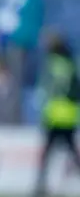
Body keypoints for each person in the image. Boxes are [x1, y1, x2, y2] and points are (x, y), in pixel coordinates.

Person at [34, 33, 80, 196]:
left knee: (48, 153)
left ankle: (40, 185)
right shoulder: (70, 64)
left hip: (55, 114)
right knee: (72, 150)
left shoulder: (51, 63)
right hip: (69, 114)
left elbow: (45, 90)